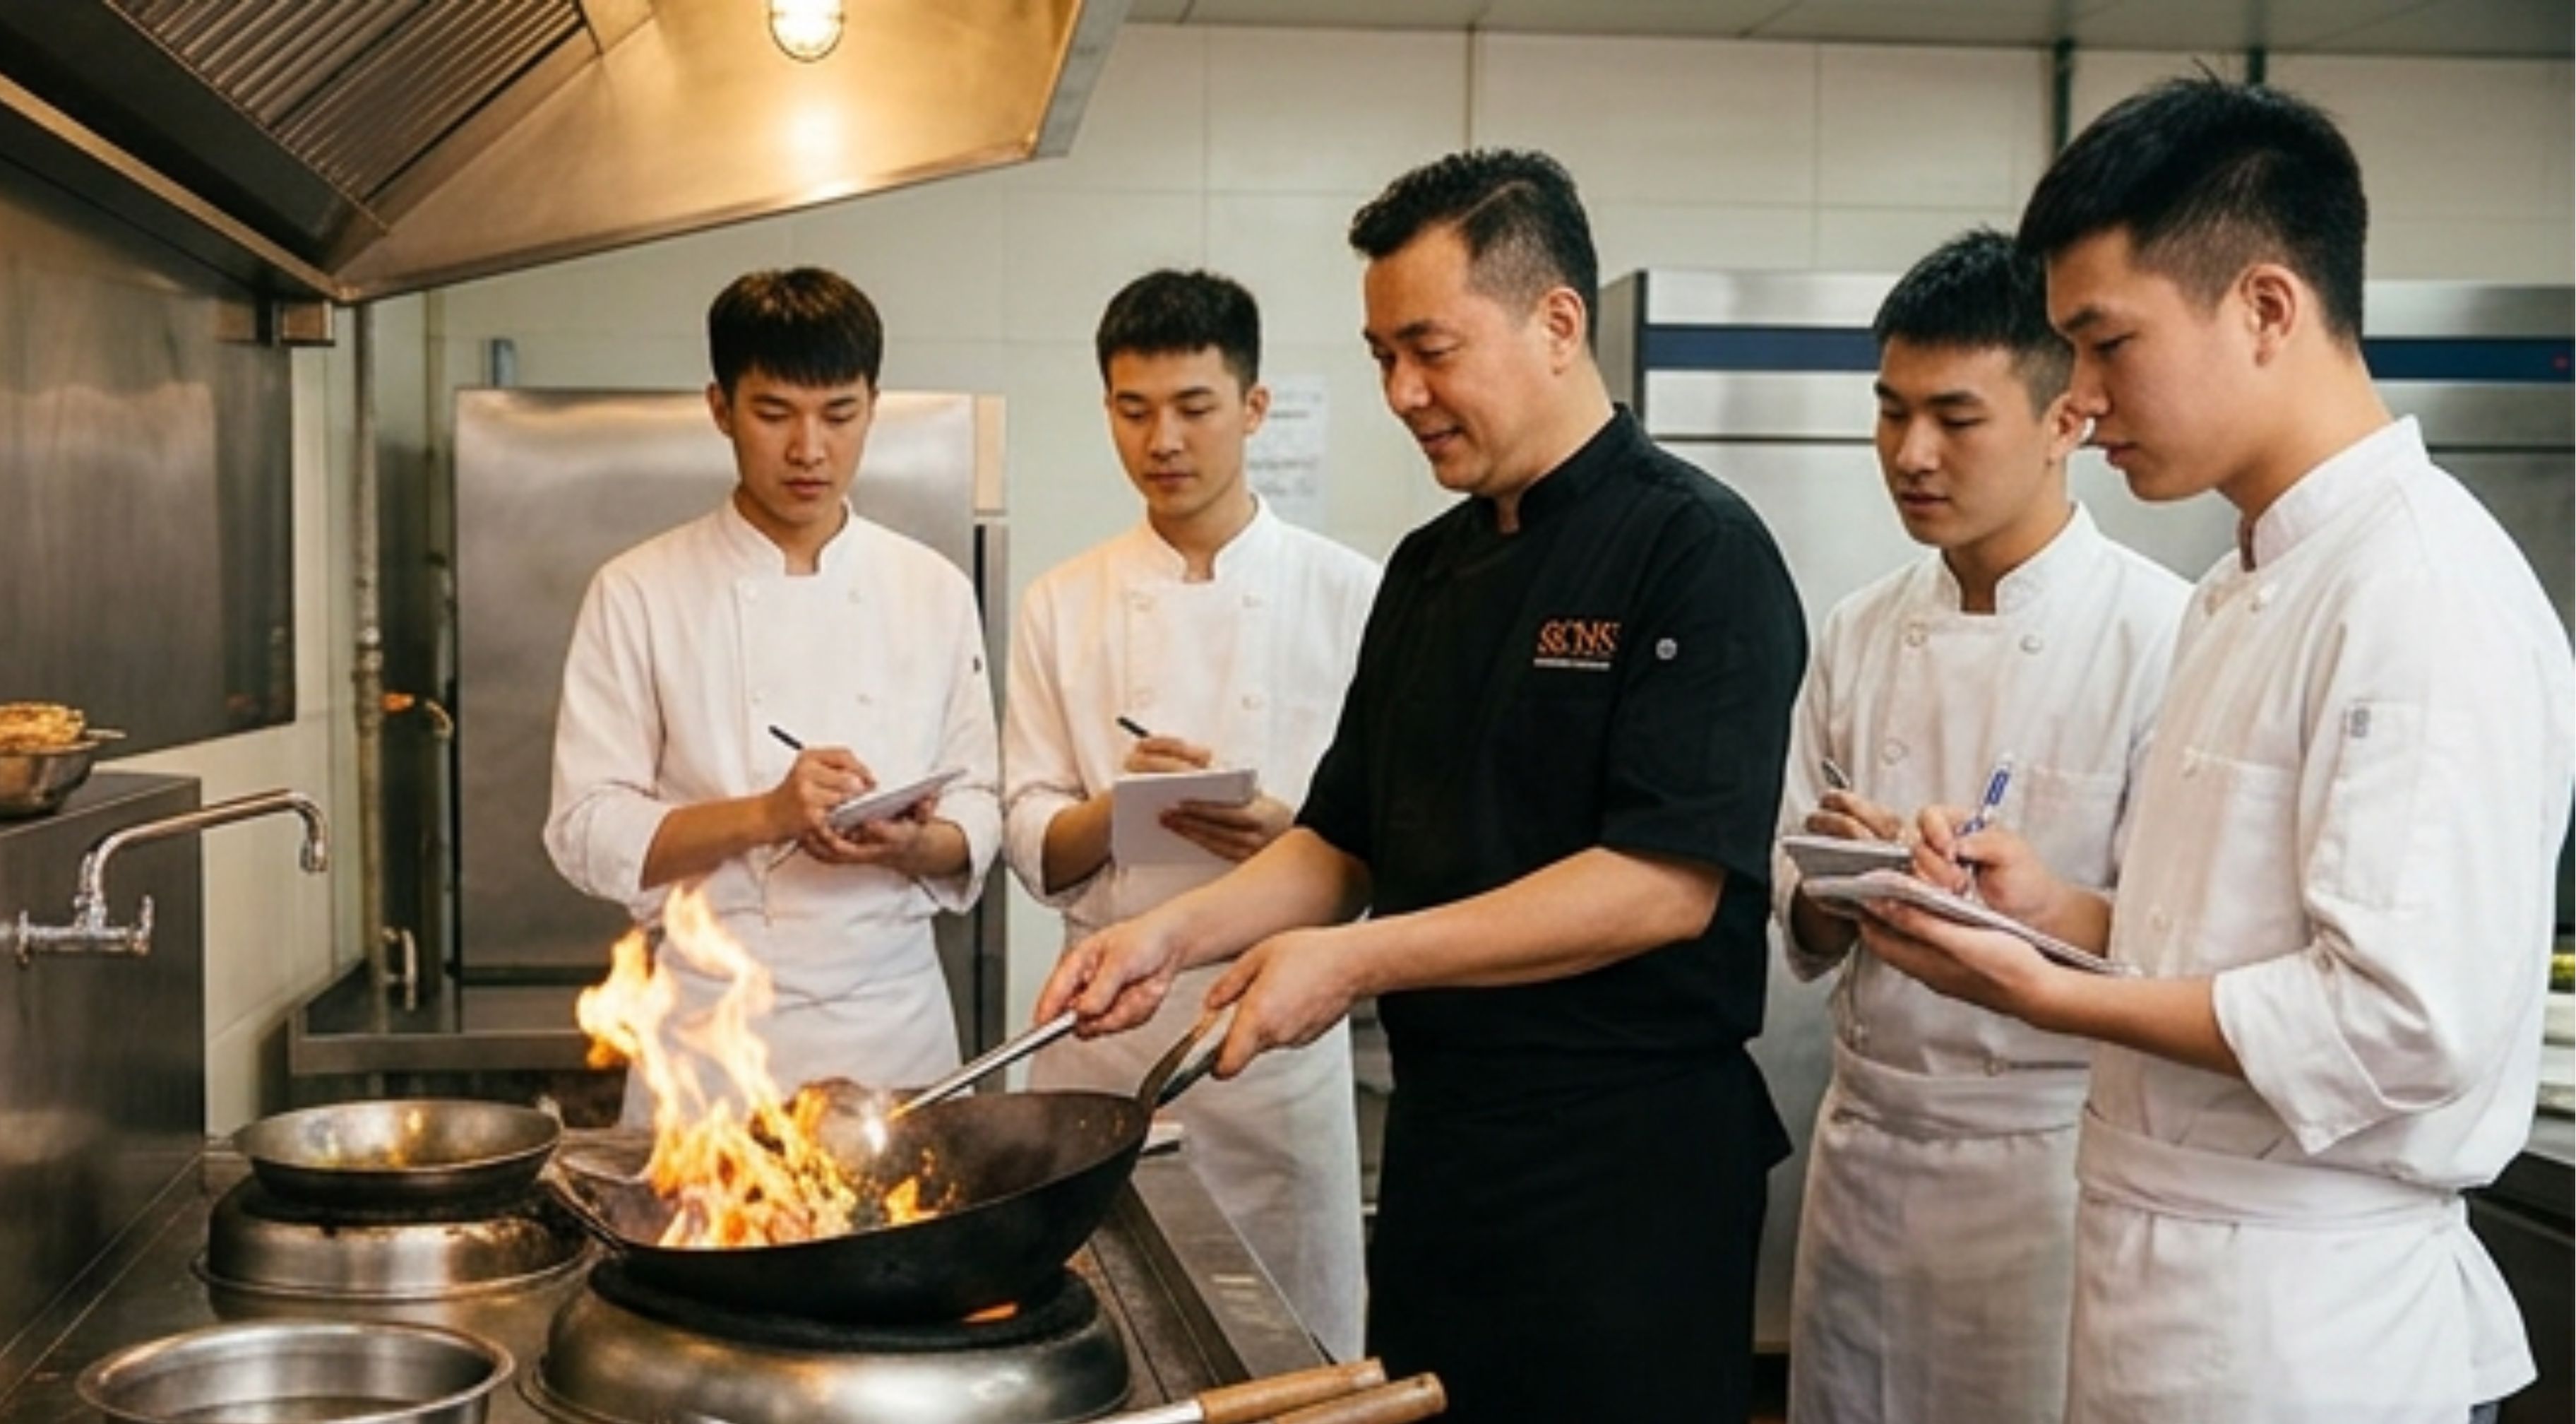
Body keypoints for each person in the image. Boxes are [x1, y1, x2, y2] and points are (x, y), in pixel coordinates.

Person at [1035, 150, 1806, 1422]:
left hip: (1623, 1170)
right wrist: (1165, 937)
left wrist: (1353, 962)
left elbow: (1660, 887)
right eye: (1383, 355)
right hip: (1451, 1153)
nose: (1402, 392)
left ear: (1557, 322)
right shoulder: (1428, 569)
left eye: (1431, 350)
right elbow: (1339, 841)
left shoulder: (1693, 549)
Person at [1852, 78, 2574, 1424]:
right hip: (2168, 1278)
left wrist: (2050, 998)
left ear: (2265, 308)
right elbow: (2225, 942)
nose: (2080, 397)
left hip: (2313, 1328)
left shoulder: (2420, 591)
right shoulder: (2242, 586)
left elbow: (2398, 1019)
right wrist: (2054, 913)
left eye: (2106, 343)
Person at [1775, 228, 2188, 1424]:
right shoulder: (1857, 627)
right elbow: (1794, 913)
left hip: (2043, 1167)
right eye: (1890, 412)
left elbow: (2178, 941)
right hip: (1865, 1148)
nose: (1912, 454)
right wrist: (1839, 882)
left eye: (1956, 418)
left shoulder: (2159, 635)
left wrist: (2018, 904)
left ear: (2066, 421)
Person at [1001, 268, 1380, 1356]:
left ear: (1253, 408)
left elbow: (1392, 833)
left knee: (1290, 1351)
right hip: (1102, 1037)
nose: (1162, 440)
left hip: (1272, 1036)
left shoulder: (1351, 593)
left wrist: (1288, 835)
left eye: (1193, 407)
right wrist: (1122, 811)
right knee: (1099, 1343)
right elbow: (1028, 835)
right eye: (1133, 410)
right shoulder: (1061, 602)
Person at [544, 266, 1000, 1118]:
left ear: (873, 406)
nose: (809, 450)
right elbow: (585, 829)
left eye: (840, 414)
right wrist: (767, 814)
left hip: (892, 1037)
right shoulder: (639, 589)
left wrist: (910, 845)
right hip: (709, 1051)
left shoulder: (932, 588)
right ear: (721, 408)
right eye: (775, 413)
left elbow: (979, 804)